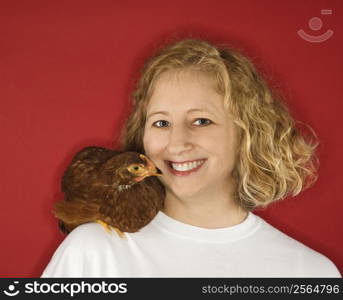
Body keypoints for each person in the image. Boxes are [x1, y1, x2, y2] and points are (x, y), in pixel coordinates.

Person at [41, 38, 341, 277]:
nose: (177, 142)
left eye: (201, 121)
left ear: (248, 134)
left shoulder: (311, 274)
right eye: (161, 123)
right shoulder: (95, 250)